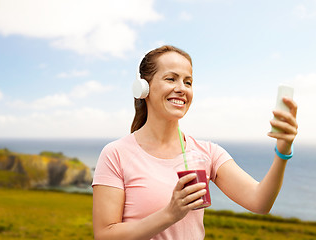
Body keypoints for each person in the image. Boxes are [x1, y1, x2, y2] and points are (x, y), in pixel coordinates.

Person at [91, 45, 298, 240]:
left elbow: (259, 202)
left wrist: (282, 151)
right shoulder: (116, 154)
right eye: (171, 79)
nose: (182, 89)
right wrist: (170, 214)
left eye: (188, 82)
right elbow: (104, 235)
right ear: (144, 88)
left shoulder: (207, 153)